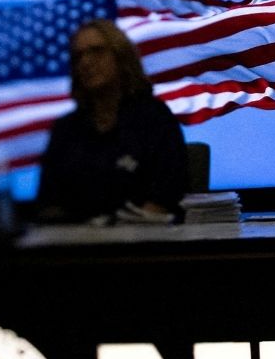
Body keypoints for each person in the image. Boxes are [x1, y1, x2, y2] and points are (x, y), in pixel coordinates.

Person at [32, 19, 189, 223]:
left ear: (121, 57)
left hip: (141, 246)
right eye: (78, 56)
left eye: (96, 51)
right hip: (76, 246)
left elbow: (165, 198)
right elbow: (49, 204)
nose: (86, 62)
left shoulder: (155, 119)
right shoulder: (66, 129)